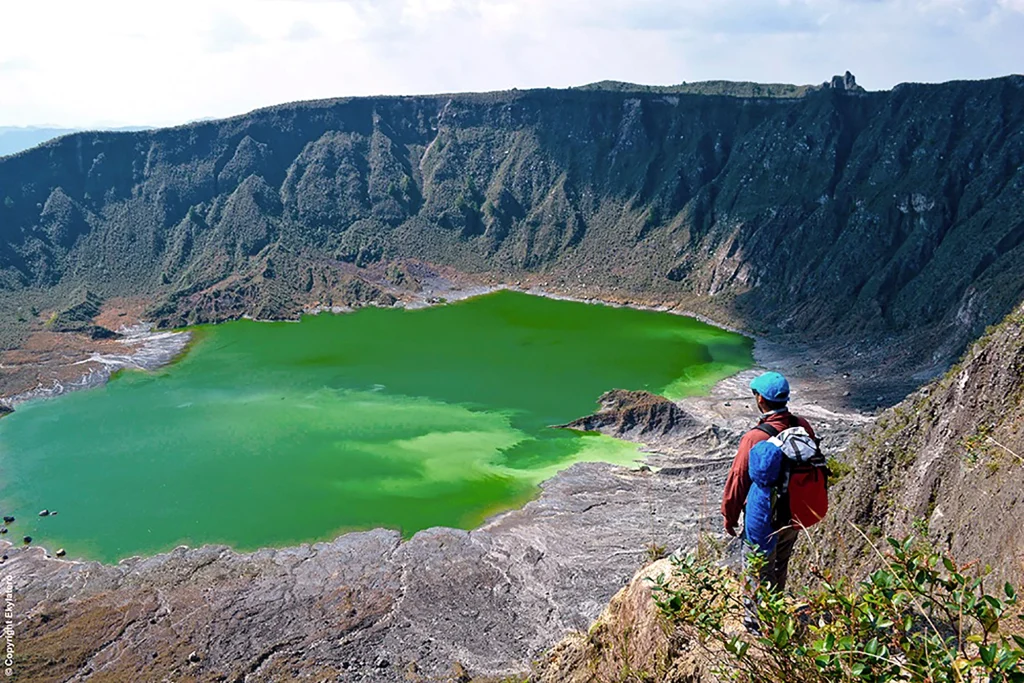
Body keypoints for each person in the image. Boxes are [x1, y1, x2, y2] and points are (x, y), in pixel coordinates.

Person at [721, 371, 816, 594]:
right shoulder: (802, 426)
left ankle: (755, 625)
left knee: (756, 572)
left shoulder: (755, 437)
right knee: (779, 566)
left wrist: (730, 515)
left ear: (761, 399)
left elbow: (738, 479)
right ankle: (777, 619)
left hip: (763, 519)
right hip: (793, 515)